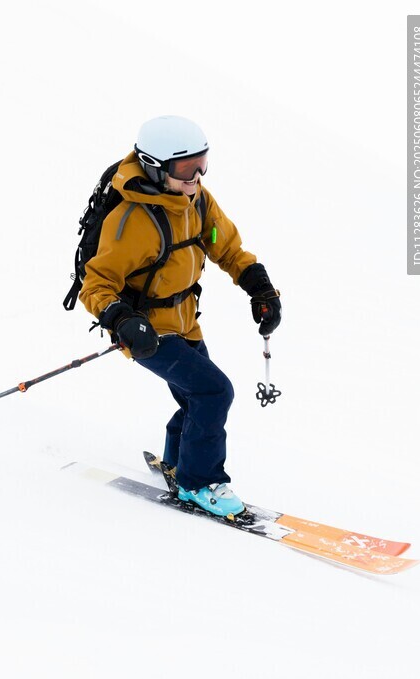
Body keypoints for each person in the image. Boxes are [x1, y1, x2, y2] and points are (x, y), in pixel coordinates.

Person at [79, 115, 282, 517]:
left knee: (198, 396)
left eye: (202, 163)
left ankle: (179, 463)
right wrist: (121, 319)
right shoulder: (131, 221)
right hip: (147, 332)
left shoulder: (197, 201)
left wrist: (259, 287)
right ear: (156, 167)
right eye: (186, 168)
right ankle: (198, 482)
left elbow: (226, 247)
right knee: (214, 392)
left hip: (185, 320)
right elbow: (95, 284)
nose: (197, 176)